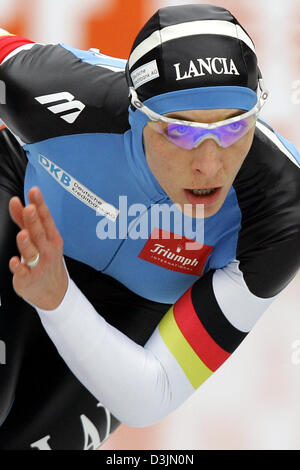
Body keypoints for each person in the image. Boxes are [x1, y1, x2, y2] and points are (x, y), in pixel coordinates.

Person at [0, 3, 300, 448]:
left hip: (130, 306)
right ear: (137, 114)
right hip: (21, 214)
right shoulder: (52, 89)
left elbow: (151, 393)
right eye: (181, 132)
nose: (209, 164)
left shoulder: (280, 211)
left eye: (235, 128)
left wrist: (58, 299)